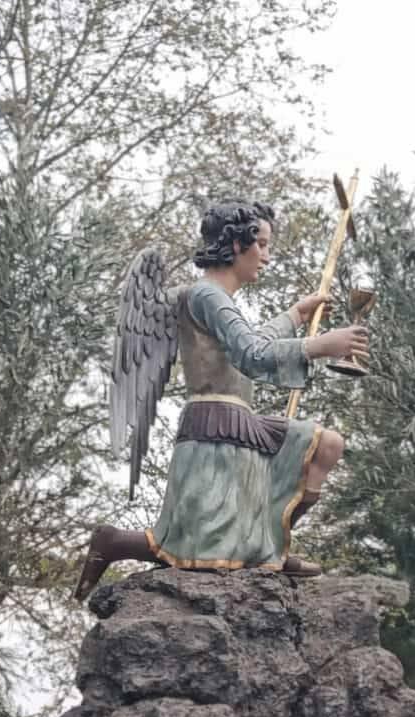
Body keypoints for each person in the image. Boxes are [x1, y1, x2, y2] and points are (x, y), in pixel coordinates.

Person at [72, 200, 368, 601]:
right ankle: (114, 542)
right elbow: (251, 355)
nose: (266, 255)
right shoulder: (208, 296)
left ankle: (273, 547)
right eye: (260, 244)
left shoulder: (216, 299)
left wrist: (295, 315)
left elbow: (247, 342)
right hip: (214, 426)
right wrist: (320, 345)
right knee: (199, 544)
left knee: (327, 446)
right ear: (235, 246)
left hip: (239, 421)